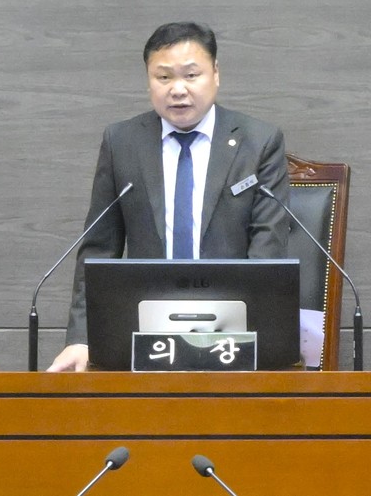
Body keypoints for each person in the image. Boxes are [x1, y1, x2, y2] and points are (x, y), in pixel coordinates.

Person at [48, 21, 291, 371]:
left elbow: (268, 250)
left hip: (234, 335)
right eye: (163, 77)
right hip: (144, 333)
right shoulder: (123, 142)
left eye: (191, 75)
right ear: (148, 80)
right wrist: (81, 339)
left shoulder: (259, 141)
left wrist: (253, 342)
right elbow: (98, 250)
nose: (178, 89)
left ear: (216, 74)